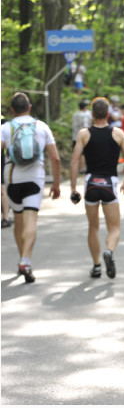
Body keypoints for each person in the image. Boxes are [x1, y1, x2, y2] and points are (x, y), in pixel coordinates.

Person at [70, 97, 124, 279]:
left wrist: (73, 188)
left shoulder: (84, 134)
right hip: (109, 184)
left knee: (93, 227)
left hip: (91, 184)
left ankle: (96, 265)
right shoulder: (118, 134)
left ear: (91, 114)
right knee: (114, 228)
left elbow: (75, 161)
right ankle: (109, 252)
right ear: (108, 114)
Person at [1, 92, 61, 283]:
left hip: (12, 179)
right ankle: (25, 260)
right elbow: (56, 158)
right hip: (35, 179)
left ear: (12, 110)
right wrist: (57, 184)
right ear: (30, 107)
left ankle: (22, 261)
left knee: (18, 220)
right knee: (31, 220)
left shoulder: (5, 128)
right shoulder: (41, 126)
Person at [71, 99, 92, 172]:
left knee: (77, 152)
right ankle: (82, 168)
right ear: (85, 107)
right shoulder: (87, 114)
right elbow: (87, 125)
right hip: (85, 136)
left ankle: (77, 168)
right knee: (83, 153)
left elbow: (73, 126)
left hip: (75, 135)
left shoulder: (76, 114)